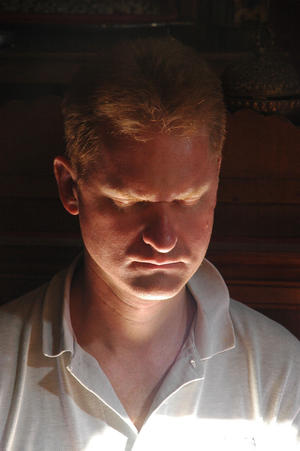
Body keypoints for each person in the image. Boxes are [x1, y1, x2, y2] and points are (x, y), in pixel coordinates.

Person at [0, 37, 299, 451]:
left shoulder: (281, 373)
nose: (163, 239)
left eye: (188, 199)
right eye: (130, 202)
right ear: (70, 187)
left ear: (215, 185)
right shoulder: (3, 366)